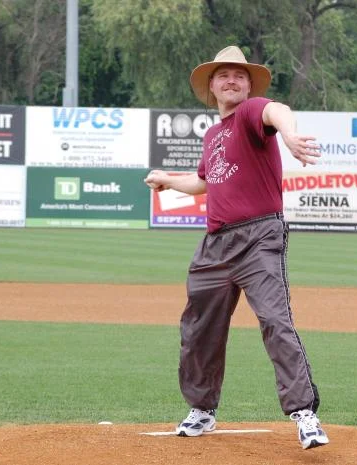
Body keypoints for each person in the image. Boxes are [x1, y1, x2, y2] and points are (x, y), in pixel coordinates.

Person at [144, 45, 329, 450]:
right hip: (215, 245)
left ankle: (304, 415)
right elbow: (203, 183)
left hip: (259, 236)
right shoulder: (213, 135)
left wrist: (291, 133)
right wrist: (166, 179)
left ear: (248, 87)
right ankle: (202, 409)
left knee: (274, 321)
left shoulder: (250, 114)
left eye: (240, 75)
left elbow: (275, 110)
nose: (232, 80)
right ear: (211, 87)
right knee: (198, 331)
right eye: (223, 75)